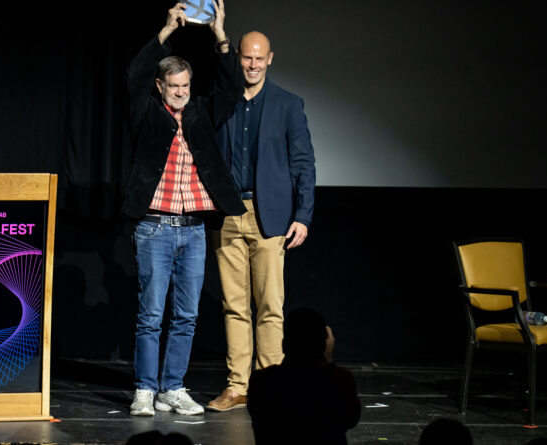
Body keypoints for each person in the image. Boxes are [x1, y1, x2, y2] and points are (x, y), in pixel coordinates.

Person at [124, 0, 246, 416]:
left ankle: (172, 388)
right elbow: (134, 76)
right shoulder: (146, 112)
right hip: (155, 227)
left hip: (193, 229)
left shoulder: (200, 113)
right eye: (173, 86)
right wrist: (166, 31)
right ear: (161, 86)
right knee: (151, 315)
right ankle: (145, 389)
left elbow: (231, 88)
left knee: (186, 316)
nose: (180, 92)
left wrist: (221, 37)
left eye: (185, 86)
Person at [207, 30, 316, 411]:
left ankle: (271, 384)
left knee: (270, 305)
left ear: (270, 59)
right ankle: (238, 386)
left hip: (270, 216)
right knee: (234, 306)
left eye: (259, 58)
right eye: (246, 57)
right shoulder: (223, 100)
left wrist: (303, 215)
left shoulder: (288, 104)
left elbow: (303, 163)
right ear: (238, 57)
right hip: (228, 213)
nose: (252, 65)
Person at [246, 307, 360, 444]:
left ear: (283, 344)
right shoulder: (340, 380)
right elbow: (351, 419)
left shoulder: (261, 382)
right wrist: (328, 360)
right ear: (324, 344)